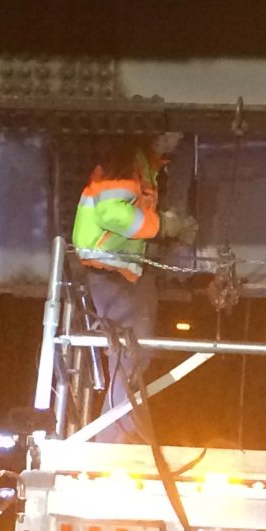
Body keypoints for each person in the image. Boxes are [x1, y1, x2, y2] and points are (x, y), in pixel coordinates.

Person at [72, 132, 197, 442]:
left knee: (133, 357)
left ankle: (122, 434)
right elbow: (111, 213)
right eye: (174, 132)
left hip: (119, 270)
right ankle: (114, 440)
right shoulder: (128, 162)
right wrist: (165, 225)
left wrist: (168, 229)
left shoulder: (143, 165)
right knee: (130, 357)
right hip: (113, 270)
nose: (179, 138)